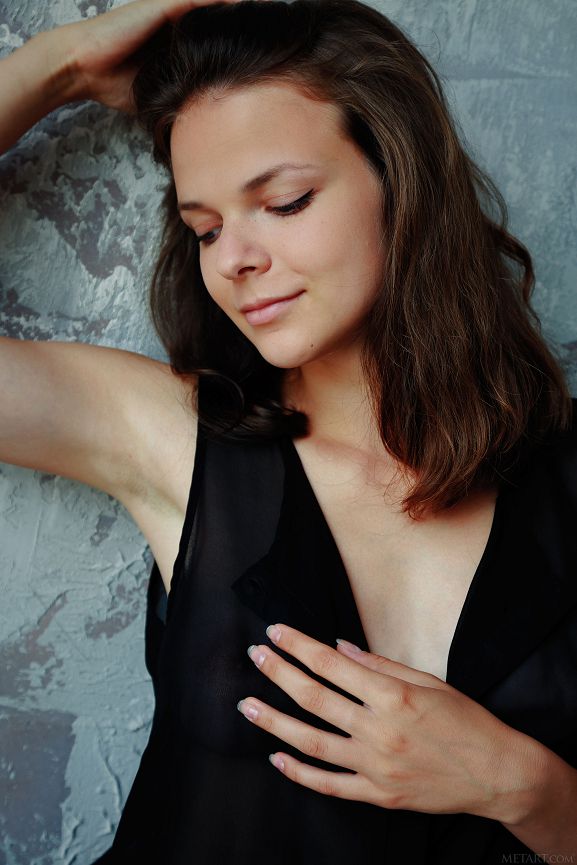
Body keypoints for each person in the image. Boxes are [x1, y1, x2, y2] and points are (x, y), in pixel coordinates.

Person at [1, 0, 576, 862]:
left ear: (401, 177)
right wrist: (63, 66)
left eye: (284, 201)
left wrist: (523, 786)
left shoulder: (561, 474)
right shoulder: (178, 437)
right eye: (204, 228)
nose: (234, 258)